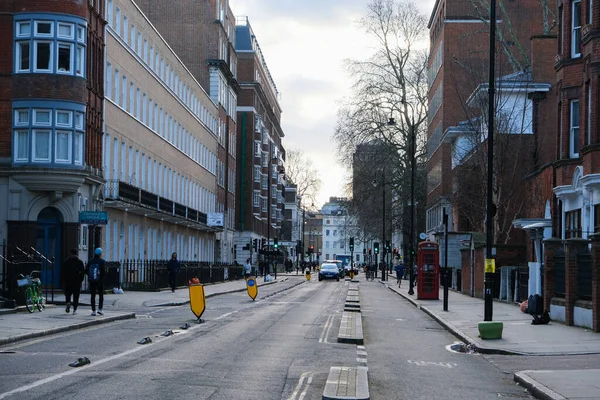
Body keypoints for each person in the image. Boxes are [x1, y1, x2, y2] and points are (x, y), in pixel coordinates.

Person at [62, 248, 85, 315]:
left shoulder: (66, 261)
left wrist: (64, 279)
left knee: (68, 293)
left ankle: (68, 302)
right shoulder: (80, 262)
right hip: (77, 281)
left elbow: (63, 271)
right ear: (76, 253)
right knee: (76, 296)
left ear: (70, 253)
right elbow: (82, 272)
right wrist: (81, 279)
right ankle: (75, 310)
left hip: (68, 280)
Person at [87, 248, 106, 316]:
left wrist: (91, 276)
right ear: (100, 254)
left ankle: (93, 310)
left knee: (93, 295)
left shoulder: (90, 261)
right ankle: (100, 309)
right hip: (100, 281)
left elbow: (87, 270)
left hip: (92, 281)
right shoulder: (102, 261)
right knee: (101, 295)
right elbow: (103, 272)